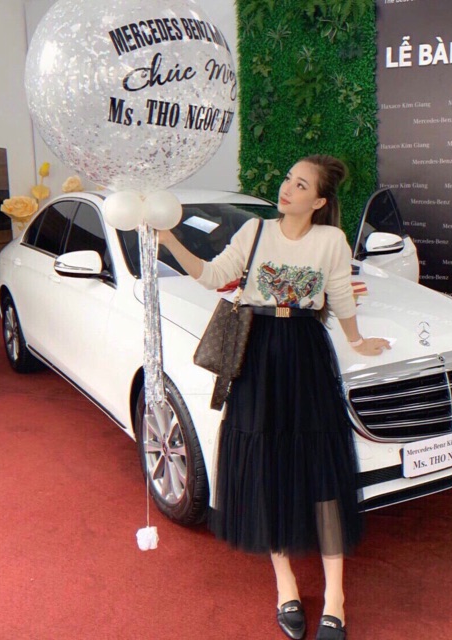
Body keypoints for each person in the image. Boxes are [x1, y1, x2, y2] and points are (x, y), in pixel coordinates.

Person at [159, 155, 391, 640]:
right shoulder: (255, 232)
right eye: (288, 179)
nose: (287, 188)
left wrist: (356, 340)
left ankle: (335, 596)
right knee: (266, 466)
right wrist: (168, 240)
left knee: (322, 470)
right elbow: (211, 275)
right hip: (258, 355)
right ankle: (286, 585)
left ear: (319, 201)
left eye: (301, 184)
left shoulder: (330, 240)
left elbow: (339, 295)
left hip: (306, 354)